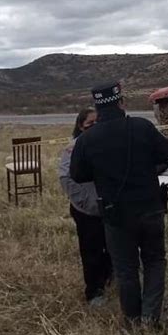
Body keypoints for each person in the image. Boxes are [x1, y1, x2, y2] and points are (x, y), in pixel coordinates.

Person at [70, 81, 168, 325]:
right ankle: (150, 317)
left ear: (97, 105)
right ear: (121, 102)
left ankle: (132, 319)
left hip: (115, 214)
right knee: (155, 261)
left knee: (126, 269)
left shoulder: (87, 139)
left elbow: (78, 175)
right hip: (150, 208)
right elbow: (167, 155)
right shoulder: (142, 126)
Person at [59, 108, 113, 307]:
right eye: (90, 124)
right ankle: (94, 291)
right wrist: (88, 203)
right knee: (92, 251)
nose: (95, 127)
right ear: (81, 126)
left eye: (98, 122)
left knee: (114, 246)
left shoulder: (110, 144)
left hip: (111, 206)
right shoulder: (73, 148)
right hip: (87, 210)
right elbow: (66, 178)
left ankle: (110, 278)